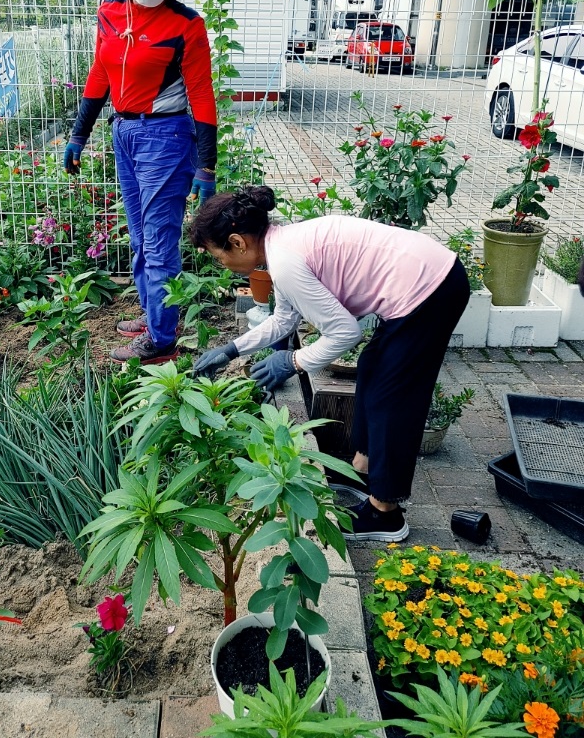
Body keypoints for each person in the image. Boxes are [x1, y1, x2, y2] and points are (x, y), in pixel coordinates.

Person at [190, 186, 470, 542]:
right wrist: (231, 349)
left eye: (218, 256)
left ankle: (385, 512)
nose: (222, 265)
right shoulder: (282, 247)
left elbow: (343, 333)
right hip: (428, 277)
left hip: (431, 288)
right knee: (373, 368)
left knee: (394, 397)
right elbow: (283, 319)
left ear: (238, 243)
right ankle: (363, 470)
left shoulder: (287, 260)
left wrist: (293, 361)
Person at [64, 0, 217, 364]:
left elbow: (203, 96)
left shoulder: (187, 25)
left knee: (159, 240)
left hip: (166, 138)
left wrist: (206, 166)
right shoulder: (108, 11)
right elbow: (99, 73)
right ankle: (156, 314)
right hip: (124, 133)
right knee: (139, 238)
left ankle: (162, 339)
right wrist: (79, 134)